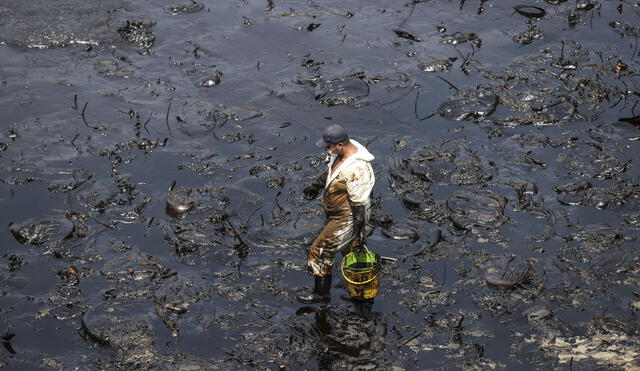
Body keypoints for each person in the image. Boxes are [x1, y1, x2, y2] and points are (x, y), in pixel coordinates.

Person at [297, 124, 375, 304]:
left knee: (320, 251)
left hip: (347, 217)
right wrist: (316, 186)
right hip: (338, 214)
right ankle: (362, 293)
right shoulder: (340, 154)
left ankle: (321, 295)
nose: (327, 149)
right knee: (352, 251)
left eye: (329, 146)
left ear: (340, 145)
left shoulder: (358, 168)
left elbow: (359, 204)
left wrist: (359, 230)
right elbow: (332, 172)